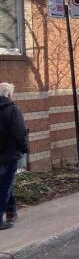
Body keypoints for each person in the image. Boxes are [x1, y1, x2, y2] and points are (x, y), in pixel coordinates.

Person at [0, 83, 28, 230]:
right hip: (9, 154)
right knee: (5, 185)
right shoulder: (13, 110)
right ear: (9, 94)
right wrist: (24, 148)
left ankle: (11, 212)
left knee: (6, 183)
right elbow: (20, 132)